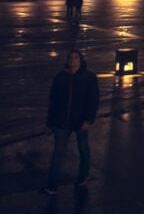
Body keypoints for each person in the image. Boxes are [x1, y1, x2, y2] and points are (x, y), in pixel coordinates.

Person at [42, 50, 99, 195]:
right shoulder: (60, 78)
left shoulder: (88, 78)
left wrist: (88, 120)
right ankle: (52, 185)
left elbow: (93, 101)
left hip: (81, 122)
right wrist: (50, 123)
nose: (73, 60)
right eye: (70, 57)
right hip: (61, 122)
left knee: (83, 149)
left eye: (76, 57)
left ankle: (83, 176)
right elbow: (53, 101)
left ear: (81, 60)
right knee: (58, 153)